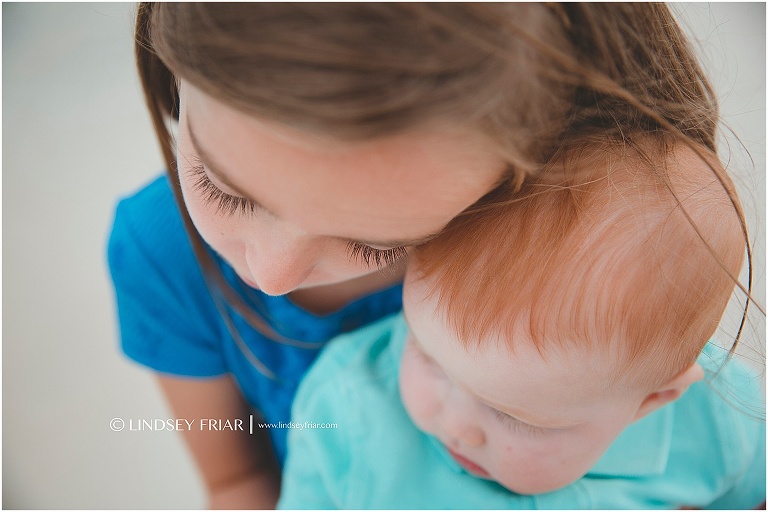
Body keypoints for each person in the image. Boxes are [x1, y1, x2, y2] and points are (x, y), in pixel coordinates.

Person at [107, 3, 758, 509]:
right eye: (220, 186)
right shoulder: (161, 253)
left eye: (378, 244)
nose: (270, 276)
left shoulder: (562, 255)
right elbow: (237, 479)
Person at [277, 144, 765, 509]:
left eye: (513, 416)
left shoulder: (719, 423)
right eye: (426, 355)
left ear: (651, 399)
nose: (458, 427)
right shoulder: (345, 417)